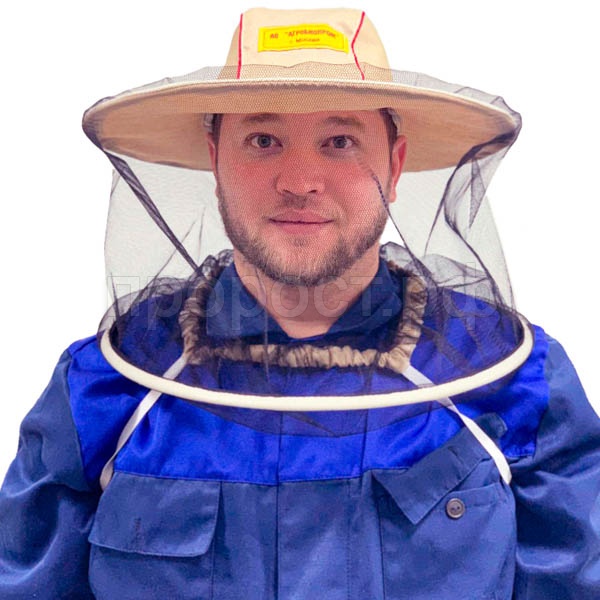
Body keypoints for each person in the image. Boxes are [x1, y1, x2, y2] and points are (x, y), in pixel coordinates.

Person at [1, 7, 599, 599]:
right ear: (215, 160)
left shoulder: (514, 384)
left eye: (340, 141)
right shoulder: (107, 388)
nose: (299, 180)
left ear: (395, 166)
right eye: (263, 140)